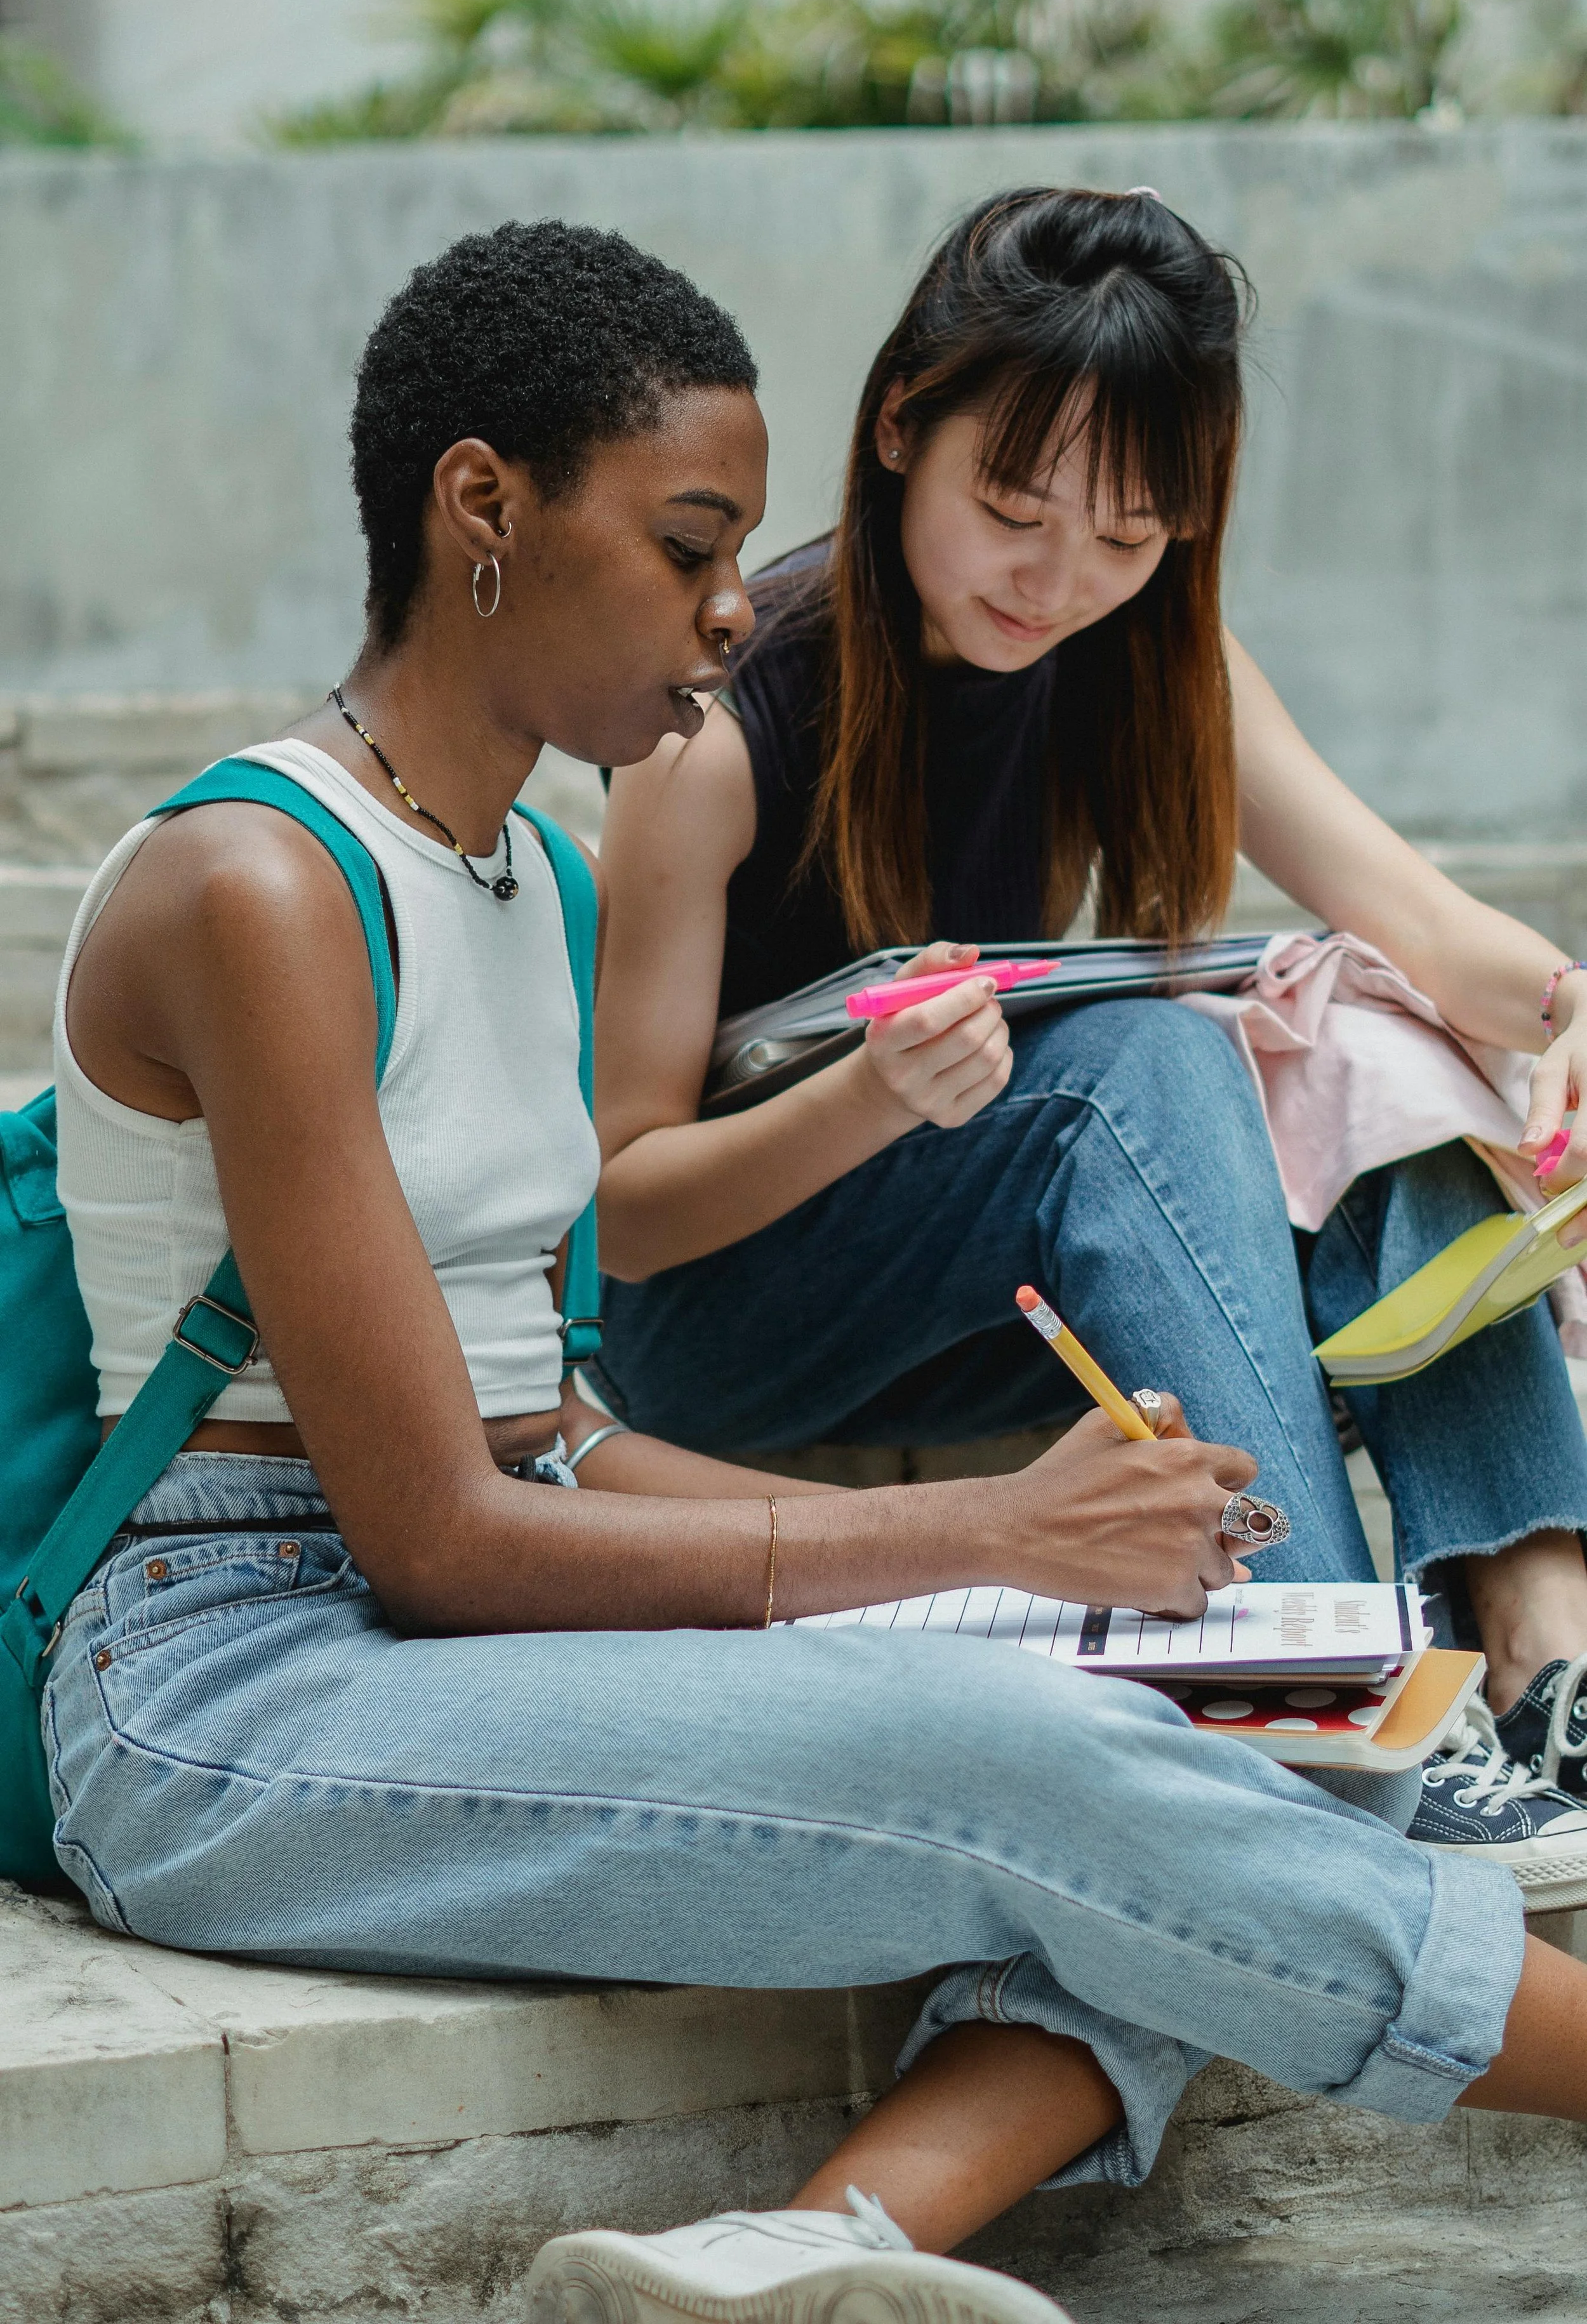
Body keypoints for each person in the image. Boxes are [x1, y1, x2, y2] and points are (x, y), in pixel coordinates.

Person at [38, 216, 1587, 2324]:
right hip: (227, 1688)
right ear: (479, 507)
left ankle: (799, 2254)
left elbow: (555, 1430)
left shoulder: (528, 888)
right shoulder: (258, 886)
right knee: (1037, 1767)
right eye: (689, 544)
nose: (725, 610)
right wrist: (984, 1532)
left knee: (1183, 1738)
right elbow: (433, 1532)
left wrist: (1009, 1586)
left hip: (481, 1590)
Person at [590, 184, 1587, 1891]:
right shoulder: (719, 728)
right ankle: (1332, 1687)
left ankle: (1542, 1657)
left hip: (1000, 1286)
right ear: (902, 424)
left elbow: (1425, 921)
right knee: (1149, 1062)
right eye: (1012, 509)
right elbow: (622, 1209)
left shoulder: (1145, 651)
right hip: (732, 1320)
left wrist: (1549, 1032)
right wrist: (873, 1102)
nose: (1056, 583)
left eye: (1130, 537)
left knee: (1368, 1044)